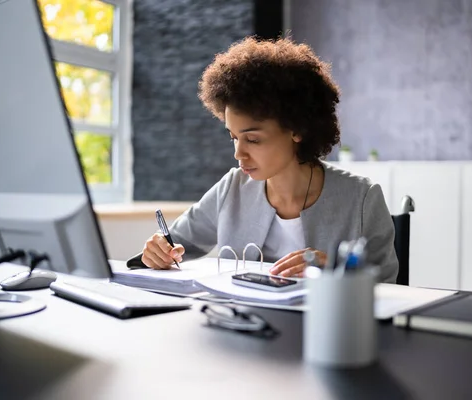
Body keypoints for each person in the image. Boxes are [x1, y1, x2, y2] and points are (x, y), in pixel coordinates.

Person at [140, 36, 398, 282]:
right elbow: (173, 244)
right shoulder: (232, 188)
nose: (238, 153)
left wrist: (334, 271)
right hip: (241, 323)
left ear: (297, 129)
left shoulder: (361, 199)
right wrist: (158, 252)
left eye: (252, 139)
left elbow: (388, 287)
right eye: (233, 137)